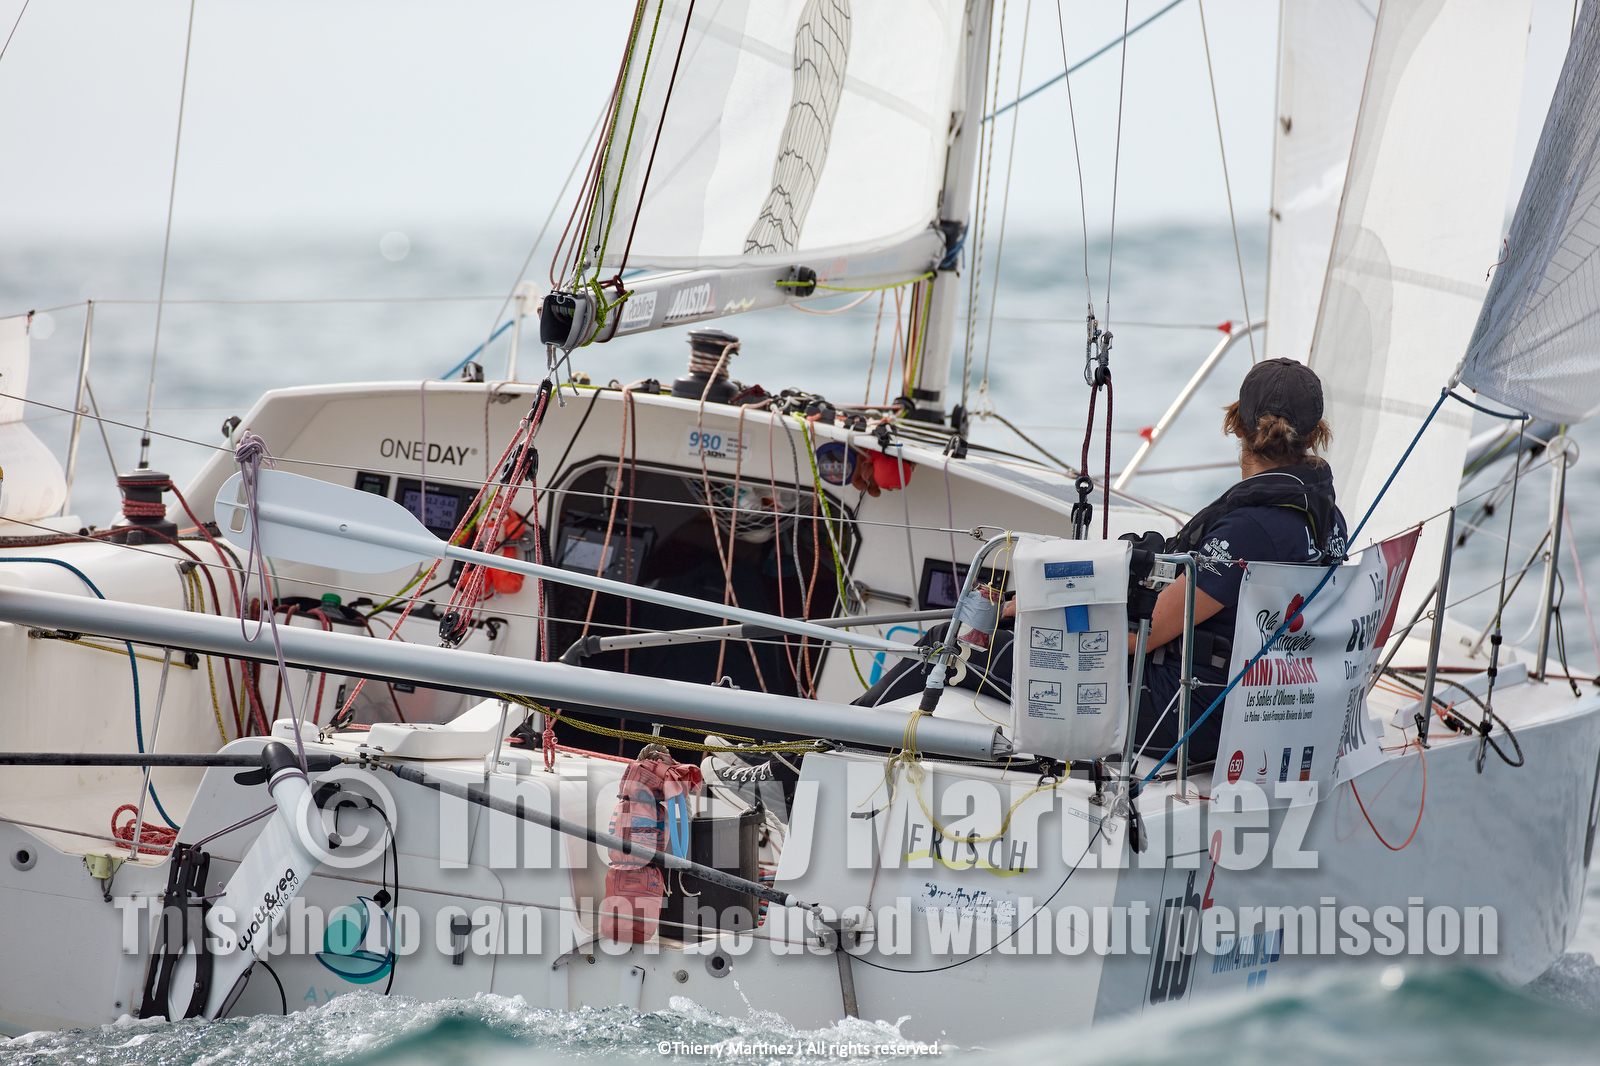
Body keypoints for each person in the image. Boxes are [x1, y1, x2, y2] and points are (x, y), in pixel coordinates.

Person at [1134, 357, 1346, 768]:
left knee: (1007, 651)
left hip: (1200, 716)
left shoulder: (1248, 529)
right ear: (1315, 434)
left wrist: (1034, 610)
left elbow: (1144, 634)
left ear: (1237, 425)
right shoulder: (1326, 518)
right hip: (1276, 710)